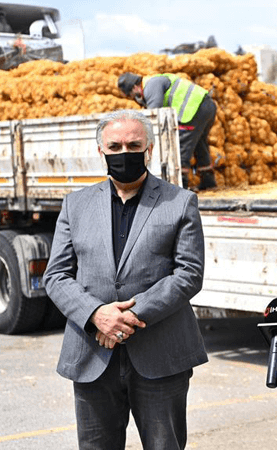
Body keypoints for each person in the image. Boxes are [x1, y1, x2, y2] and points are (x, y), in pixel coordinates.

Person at [43, 110, 208, 449]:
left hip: (161, 354)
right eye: (114, 146)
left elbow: (189, 273)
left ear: (149, 150)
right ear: (101, 151)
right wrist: (96, 315)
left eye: (134, 145)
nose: (124, 153)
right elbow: (57, 275)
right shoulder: (76, 205)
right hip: (92, 355)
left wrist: (128, 317)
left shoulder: (179, 202)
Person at [117, 72, 218, 190]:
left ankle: (181, 186)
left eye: (131, 95)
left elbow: (154, 115)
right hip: (206, 106)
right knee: (200, 145)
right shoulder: (153, 82)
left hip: (193, 109)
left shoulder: (151, 86)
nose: (134, 99)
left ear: (135, 87)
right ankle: (208, 181)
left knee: (181, 146)